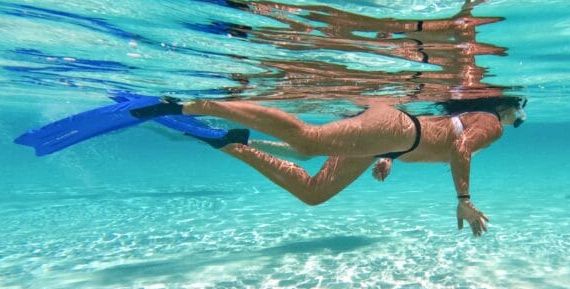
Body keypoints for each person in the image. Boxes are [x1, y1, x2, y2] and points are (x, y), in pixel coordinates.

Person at [130, 96, 526, 237]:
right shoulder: (492, 124)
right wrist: (464, 199)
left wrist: (388, 155)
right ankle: (190, 104)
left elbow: (441, 135)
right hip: (397, 130)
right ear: (506, 107)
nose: (517, 121)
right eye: (518, 114)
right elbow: (459, 147)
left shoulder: (476, 115)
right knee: (307, 140)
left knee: (314, 191)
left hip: (392, 139)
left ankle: (233, 144)